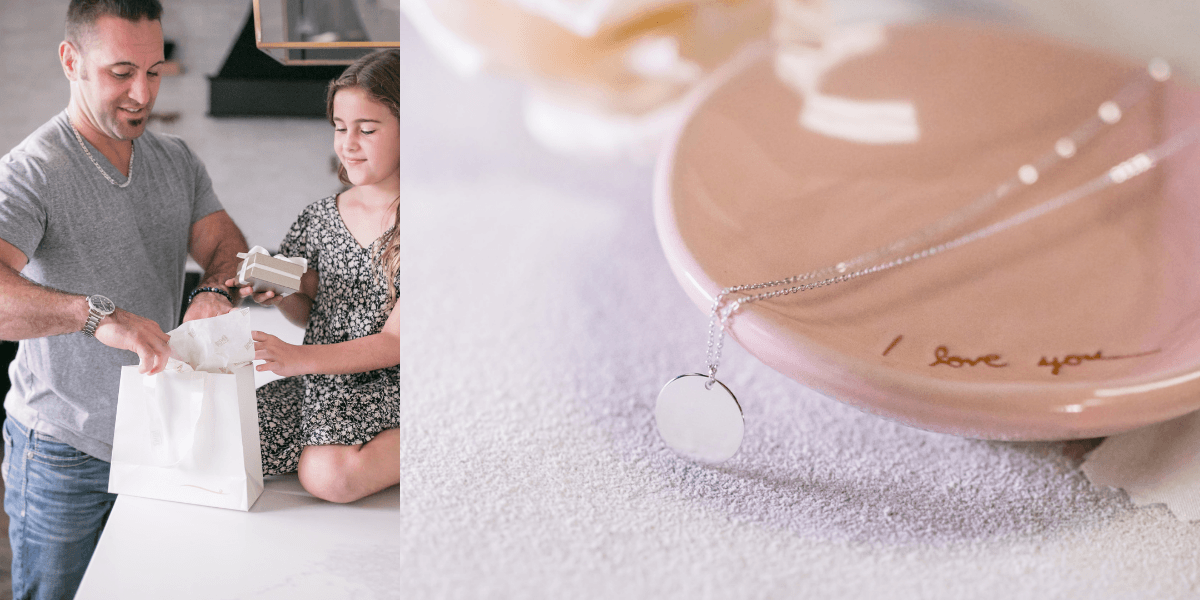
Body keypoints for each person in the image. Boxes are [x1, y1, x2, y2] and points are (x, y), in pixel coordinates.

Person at [0, 1, 249, 598]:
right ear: (71, 61)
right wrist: (95, 315)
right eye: (120, 73)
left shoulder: (175, 160)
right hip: (64, 450)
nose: (142, 93)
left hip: (162, 437)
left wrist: (214, 289)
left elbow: (227, 246)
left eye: (154, 71)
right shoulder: (32, 171)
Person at [228, 49, 400, 504]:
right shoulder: (319, 217)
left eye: (367, 129)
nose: (348, 143)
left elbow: (396, 343)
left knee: (327, 475)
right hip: (327, 378)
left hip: (398, 383)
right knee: (239, 440)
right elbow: (310, 317)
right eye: (340, 129)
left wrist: (297, 361)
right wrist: (283, 290)